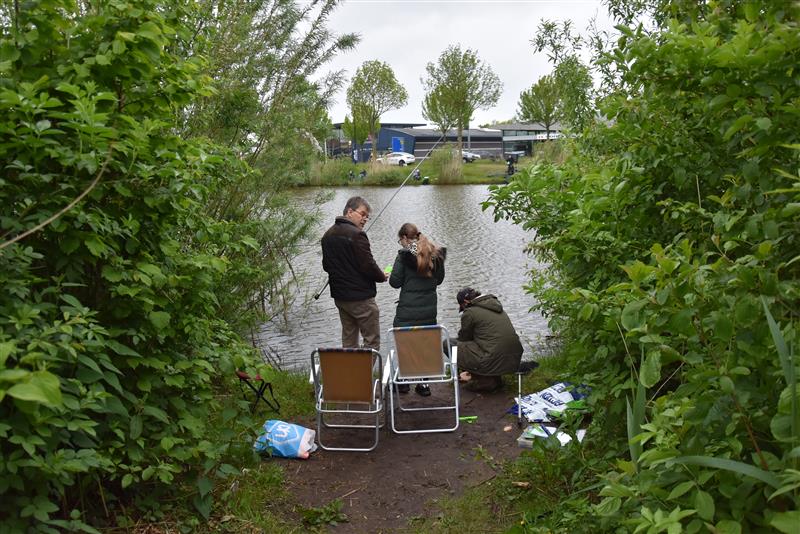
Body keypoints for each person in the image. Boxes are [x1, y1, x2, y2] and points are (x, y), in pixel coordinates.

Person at [321, 196, 387, 350]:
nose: (365, 219)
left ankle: (349, 367)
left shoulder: (328, 234)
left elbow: (326, 266)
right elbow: (368, 265)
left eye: (367, 217)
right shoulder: (357, 234)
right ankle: (365, 367)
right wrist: (381, 276)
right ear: (350, 212)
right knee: (371, 341)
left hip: (341, 298)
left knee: (349, 341)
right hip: (361, 299)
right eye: (362, 214)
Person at [389, 223, 447, 396]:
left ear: (405, 238)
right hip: (429, 311)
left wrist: (394, 273)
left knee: (406, 344)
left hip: (407, 311)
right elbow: (439, 280)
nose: (401, 244)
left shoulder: (404, 256)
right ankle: (423, 384)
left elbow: (395, 282)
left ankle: (404, 382)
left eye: (400, 241)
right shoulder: (435, 254)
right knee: (424, 345)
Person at [453, 287, 523, 393]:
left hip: (492, 358)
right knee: (489, 345)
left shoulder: (470, 312)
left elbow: (464, 338)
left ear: (466, 302)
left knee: (450, 344)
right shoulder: (496, 306)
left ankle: (481, 380)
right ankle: (492, 377)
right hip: (514, 360)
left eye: (462, 306)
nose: (463, 309)